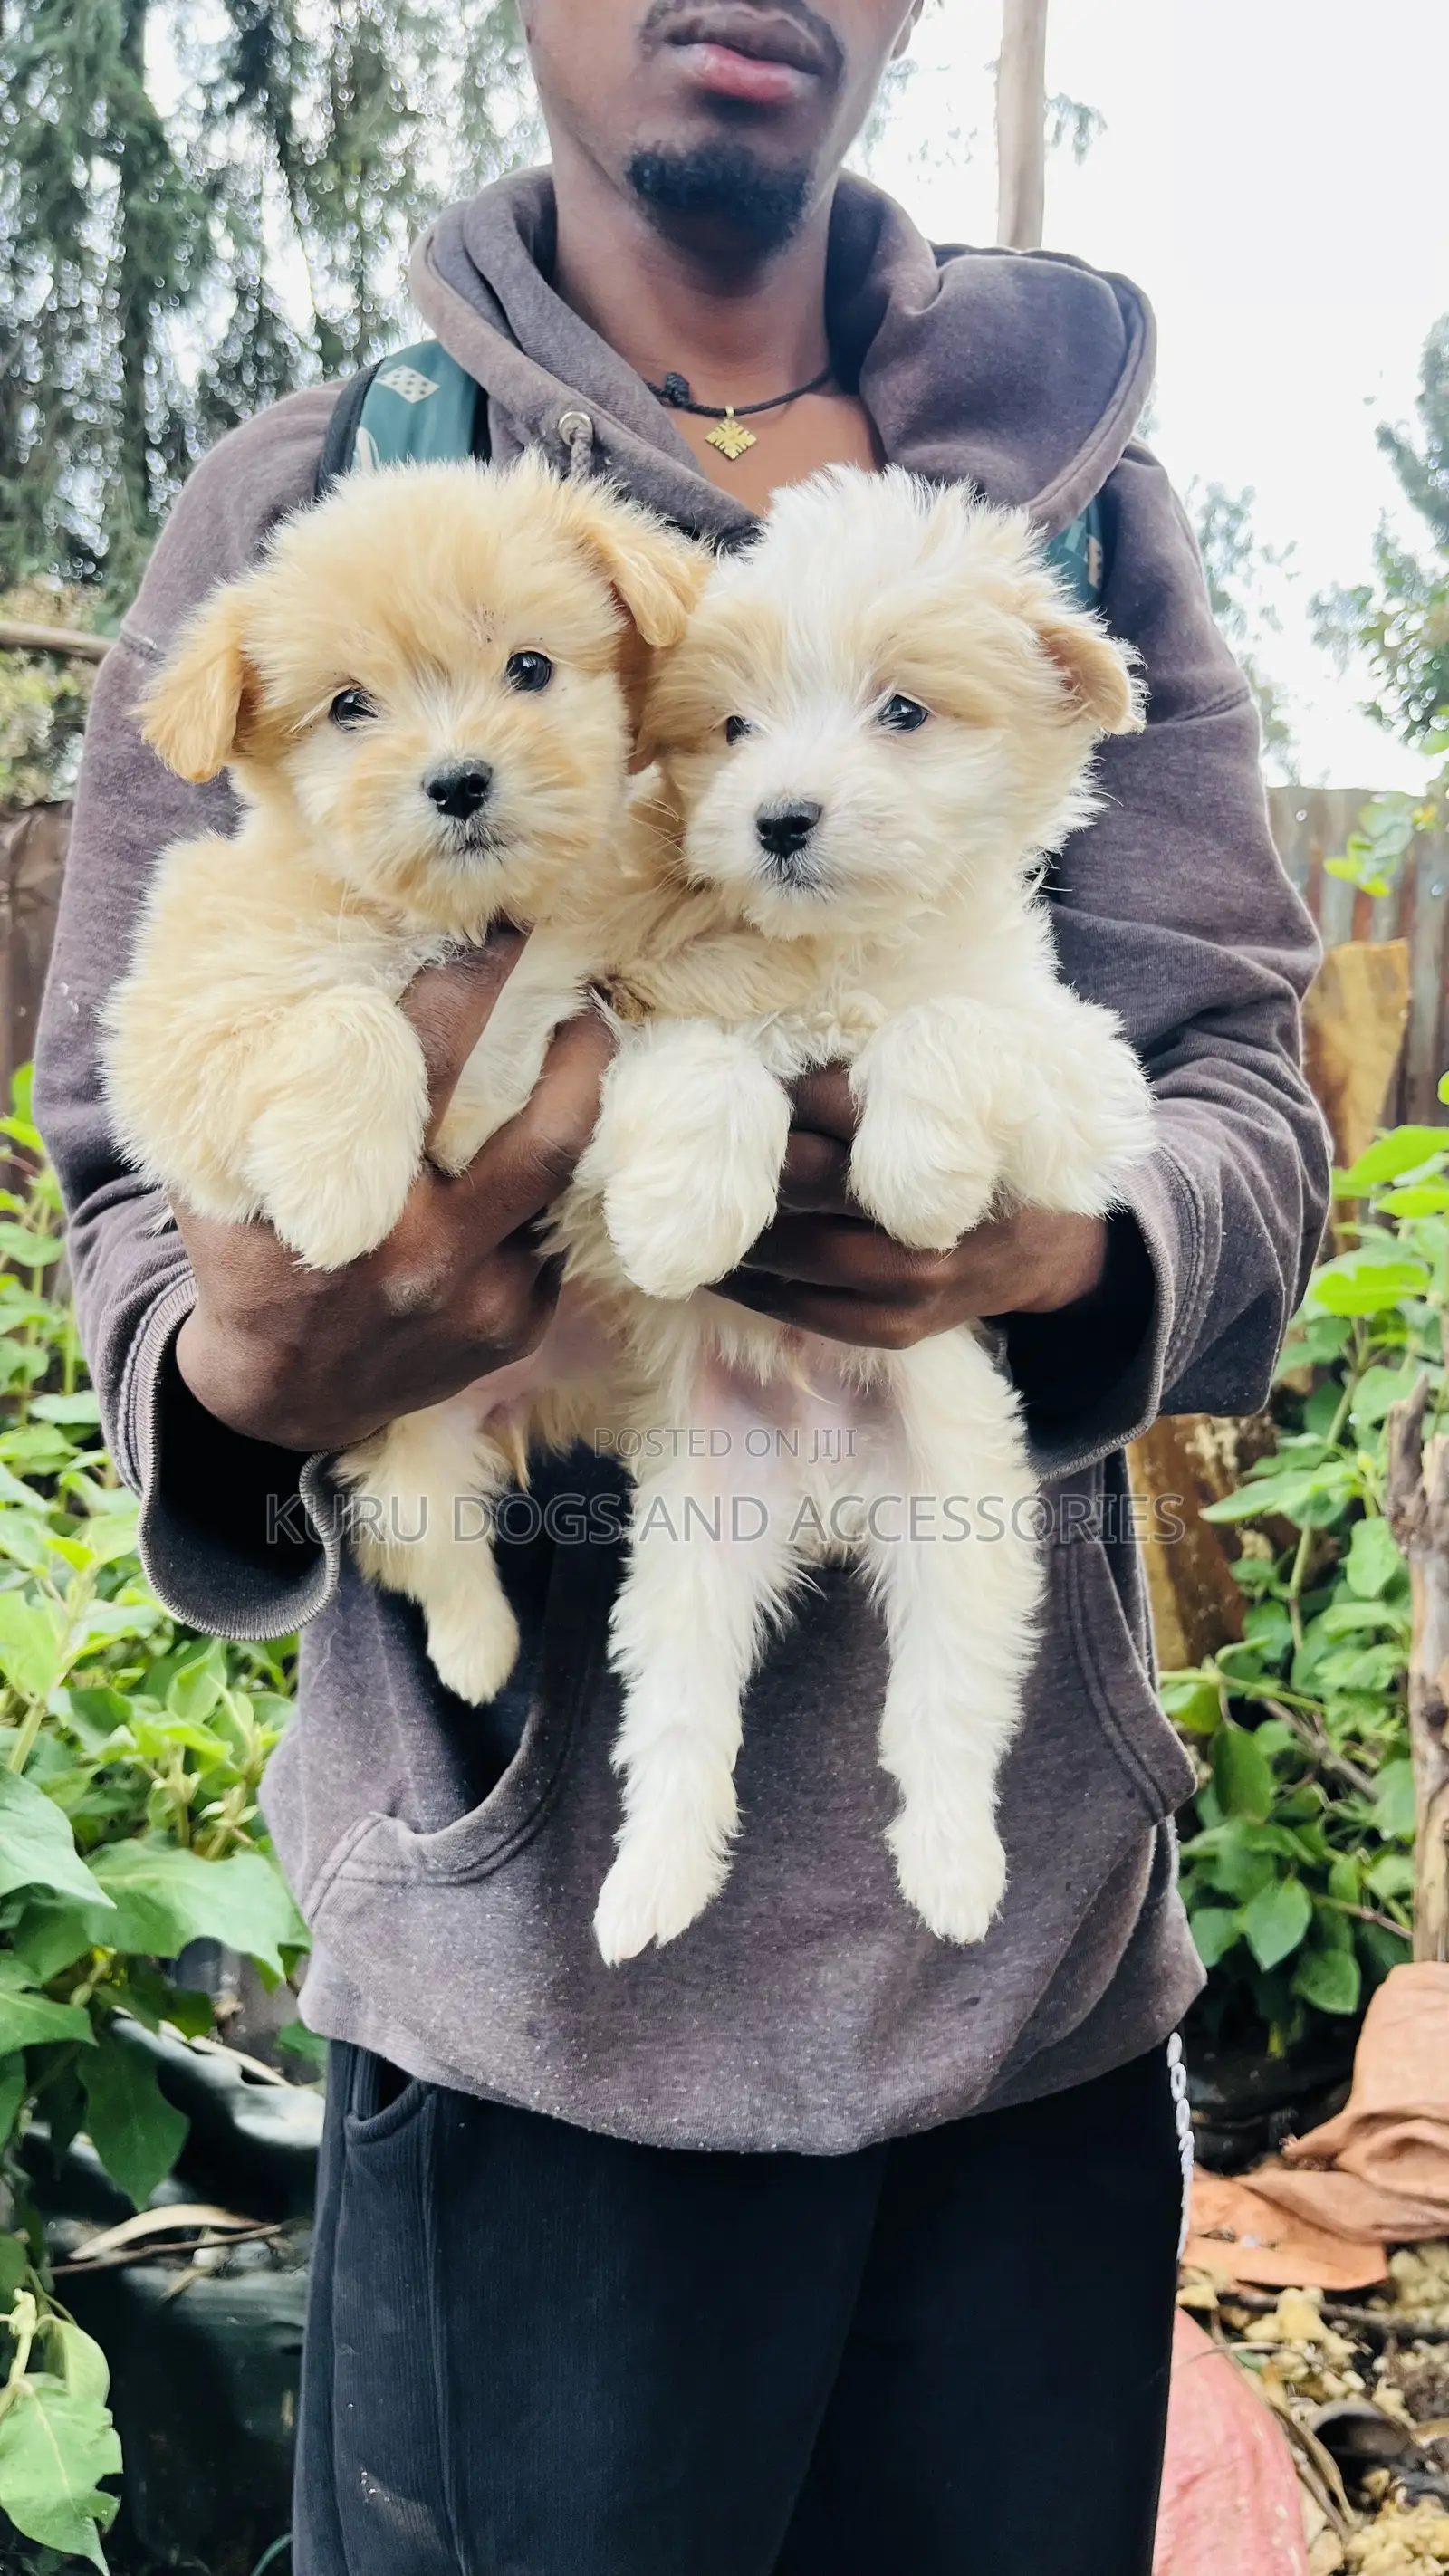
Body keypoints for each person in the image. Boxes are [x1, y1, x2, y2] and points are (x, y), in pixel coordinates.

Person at [35, 4, 1330, 2569]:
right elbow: (113, 1166)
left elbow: (1252, 1091)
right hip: (538, 2005)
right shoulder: (318, 518)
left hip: (1028, 1981)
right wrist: (263, 1355)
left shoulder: (1076, 517)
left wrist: (1076, 1249)